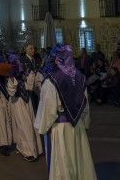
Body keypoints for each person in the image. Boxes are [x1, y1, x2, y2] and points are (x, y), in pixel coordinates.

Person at [34, 44, 97, 180]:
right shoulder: (80, 77)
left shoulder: (51, 80)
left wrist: (41, 127)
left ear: (58, 58)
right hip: (77, 126)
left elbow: (49, 110)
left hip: (60, 128)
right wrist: (85, 124)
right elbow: (85, 106)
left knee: (63, 162)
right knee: (79, 158)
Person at [6, 51, 43, 162]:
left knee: (29, 125)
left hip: (27, 102)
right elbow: (11, 91)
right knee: (23, 126)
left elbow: (30, 87)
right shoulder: (10, 76)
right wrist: (12, 78)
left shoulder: (23, 73)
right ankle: (28, 151)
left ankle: (32, 148)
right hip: (17, 102)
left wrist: (30, 77)